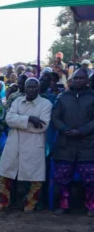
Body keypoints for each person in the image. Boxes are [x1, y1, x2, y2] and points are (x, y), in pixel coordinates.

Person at [0, 78, 51, 213]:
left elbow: (43, 126)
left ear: (38, 87)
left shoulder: (46, 104)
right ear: (24, 88)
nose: (31, 89)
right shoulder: (17, 101)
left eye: (33, 87)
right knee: (5, 174)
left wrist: (19, 123)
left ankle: (31, 204)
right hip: (14, 143)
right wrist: (30, 119)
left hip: (33, 145)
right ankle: (3, 202)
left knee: (35, 177)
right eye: (28, 87)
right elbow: (8, 119)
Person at [51, 68, 94, 216]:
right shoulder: (63, 97)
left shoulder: (92, 97)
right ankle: (64, 205)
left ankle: (91, 206)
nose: (78, 81)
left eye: (81, 78)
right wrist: (65, 129)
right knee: (62, 178)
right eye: (75, 78)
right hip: (66, 144)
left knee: (90, 178)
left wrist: (82, 130)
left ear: (87, 80)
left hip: (87, 144)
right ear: (71, 80)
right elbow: (55, 117)